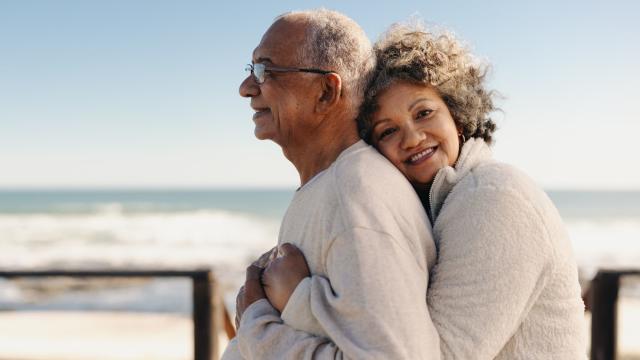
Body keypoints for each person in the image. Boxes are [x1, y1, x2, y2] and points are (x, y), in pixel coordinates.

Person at [262, 23, 588, 358]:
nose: (412, 138)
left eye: (424, 113)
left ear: (457, 116)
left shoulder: (494, 198)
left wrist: (297, 300)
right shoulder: (443, 203)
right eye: (387, 131)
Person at [221, 10, 442, 359]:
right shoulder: (334, 185)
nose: (246, 88)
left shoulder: (356, 193)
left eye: (265, 70)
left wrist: (256, 326)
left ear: (326, 92)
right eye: (251, 71)